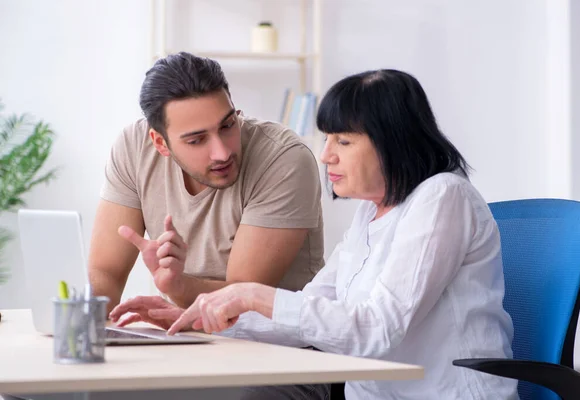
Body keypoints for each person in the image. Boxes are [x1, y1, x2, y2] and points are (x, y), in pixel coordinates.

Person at [110, 69, 519, 399]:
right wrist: (199, 316)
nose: (326, 155)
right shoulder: (369, 217)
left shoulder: (443, 196)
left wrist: (254, 295)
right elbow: (306, 314)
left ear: (392, 142)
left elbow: (378, 329)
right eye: (327, 139)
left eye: (343, 140)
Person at [88, 52, 325, 313]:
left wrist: (177, 286)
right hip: (184, 336)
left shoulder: (283, 159)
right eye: (196, 140)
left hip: (274, 343)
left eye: (227, 125)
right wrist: (80, 332)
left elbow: (242, 299)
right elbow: (105, 273)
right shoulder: (134, 148)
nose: (222, 153)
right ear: (160, 143)